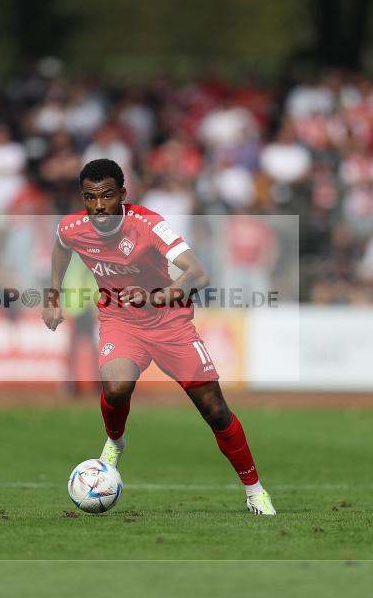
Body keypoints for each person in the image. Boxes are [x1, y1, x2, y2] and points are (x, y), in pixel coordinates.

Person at [42, 159, 276, 516]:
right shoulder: (72, 227)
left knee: (214, 409)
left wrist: (158, 296)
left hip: (170, 323)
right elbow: (60, 245)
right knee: (116, 388)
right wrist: (54, 295)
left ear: (122, 193)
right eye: (90, 198)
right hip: (121, 321)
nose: (99, 206)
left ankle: (254, 490)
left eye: (107, 196)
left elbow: (198, 273)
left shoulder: (148, 224)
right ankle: (116, 442)